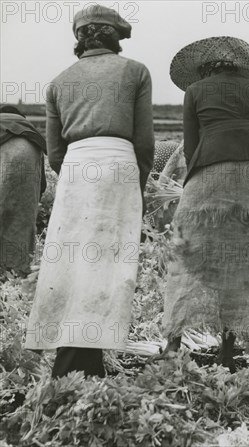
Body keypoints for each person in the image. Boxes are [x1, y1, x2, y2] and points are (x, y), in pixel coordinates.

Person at [24, 5, 155, 377]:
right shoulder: (135, 72)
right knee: (108, 264)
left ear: (79, 38)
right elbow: (144, 141)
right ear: (114, 37)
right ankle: (84, 361)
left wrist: (73, 178)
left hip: (76, 170)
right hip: (119, 166)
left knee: (68, 264)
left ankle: (74, 361)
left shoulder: (59, 81)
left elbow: (55, 151)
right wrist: (140, 183)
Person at [158, 36, 249, 371]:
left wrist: (189, 188)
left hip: (212, 173)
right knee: (243, 262)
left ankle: (173, 345)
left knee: (187, 254)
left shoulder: (195, 92)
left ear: (204, 69)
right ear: (237, 67)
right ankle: (229, 351)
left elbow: (192, 147)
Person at [0, 105, 46, 274]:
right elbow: (42, 184)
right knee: (21, 221)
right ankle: (15, 272)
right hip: (28, 152)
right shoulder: (29, 132)